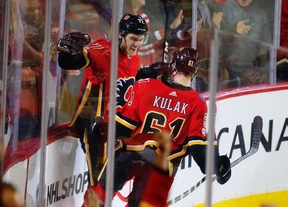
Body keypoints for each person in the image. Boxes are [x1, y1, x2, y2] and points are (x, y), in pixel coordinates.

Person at [92, 47, 231, 206]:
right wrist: (218, 168)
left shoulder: (146, 85)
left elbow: (122, 127)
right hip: (160, 166)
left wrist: (101, 129)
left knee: (99, 196)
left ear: (172, 66)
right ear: (194, 72)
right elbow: (199, 149)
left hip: (129, 154)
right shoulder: (198, 103)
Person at [57, 14, 149, 186]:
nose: (137, 44)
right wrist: (65, 53)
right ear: (121, 35)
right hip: (99, 131)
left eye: (141, 39)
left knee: (112, 186)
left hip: (120, 131)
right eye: (133, 38)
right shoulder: (104, 51)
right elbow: (71, 63)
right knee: (99, 186)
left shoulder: (134, 56)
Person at [220, 0, 272, 87]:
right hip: (228, 72)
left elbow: (265, 46)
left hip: (253, 72)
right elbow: (215, 40)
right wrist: (233, 30)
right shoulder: (223, 10)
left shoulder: (261, 14)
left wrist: (263, 71)